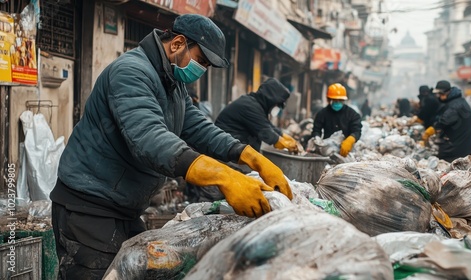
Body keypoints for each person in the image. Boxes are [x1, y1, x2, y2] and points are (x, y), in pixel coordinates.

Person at [50, 14, 292, 279]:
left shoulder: (172, 83)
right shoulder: (132, 71)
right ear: (177, 44)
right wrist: (224, 177)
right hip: (89, 207)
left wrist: (249, 156)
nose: (201, 69)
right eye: (201, 60)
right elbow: (150, 139)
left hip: (123, 206)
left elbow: (197, 127)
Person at [215, 78, 299, 153]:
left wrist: (283, 135)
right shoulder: (250, 106)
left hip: (233, 148)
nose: (275, 107)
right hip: (225, 150)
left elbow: (267, 125)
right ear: (270, 99)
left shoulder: (256, 105)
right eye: (276, 104)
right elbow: (265, 132)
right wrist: (285, 144)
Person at [422, 80, 471, 162]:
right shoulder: (459, 101)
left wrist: (432, 129)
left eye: (440, 94)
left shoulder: (455, 106)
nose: (439, 97)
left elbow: (444, 121)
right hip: (465, 147)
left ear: (446, 93)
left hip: (456, 150)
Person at [311, 83, 362, 157]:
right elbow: (316, 130)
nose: (337, 103)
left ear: (344, 100)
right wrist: (317, 138)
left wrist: (350, 140)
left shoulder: (352, 114)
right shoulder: (322, 113)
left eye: (340, 100)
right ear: (329, 100)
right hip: (327, 151)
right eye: (335, 100)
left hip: (346, 151)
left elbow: (357, 130)